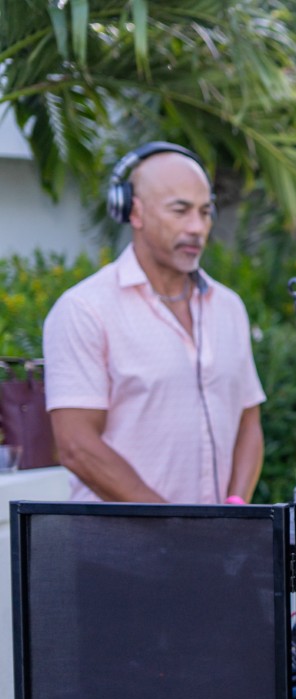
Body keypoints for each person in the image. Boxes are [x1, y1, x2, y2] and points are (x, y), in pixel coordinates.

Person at [43, 143, 265, 504]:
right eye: (180, 210)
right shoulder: (84, 309)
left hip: (215, 535)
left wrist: (235, 508)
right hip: (119, 539)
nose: (197, 228)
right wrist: (171, 524)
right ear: (134, 212)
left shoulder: (229, 307)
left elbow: (249, 421)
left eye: (205, 212)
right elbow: (76, 446)